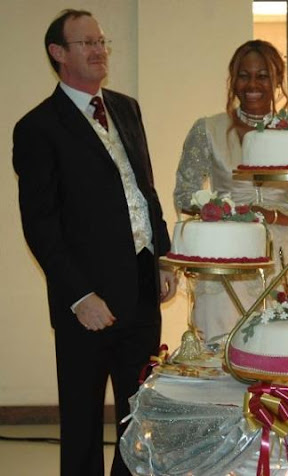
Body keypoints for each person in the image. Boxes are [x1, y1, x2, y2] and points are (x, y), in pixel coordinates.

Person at [12, 9, 177, 476]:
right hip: (87, 300)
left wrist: (164, 257)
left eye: (102, 41)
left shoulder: (126, 108)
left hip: (141, 287)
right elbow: (40, 225)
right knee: (83, 421)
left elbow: (145, 190)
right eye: (86, 43)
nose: (100, 50)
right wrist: (79, 295)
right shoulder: (38, 127)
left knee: (138, 414)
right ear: (58, 53)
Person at [174, 39, 288, 342]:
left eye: (262, 76)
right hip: (225, 257)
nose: (252, 84)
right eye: (244, 75)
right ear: (233, 80)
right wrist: (226, 212)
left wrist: (268, 215)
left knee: (277, 346)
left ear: (278, 81)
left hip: (281, 260)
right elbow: (185, 194)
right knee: (222, 343)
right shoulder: (208, 130)